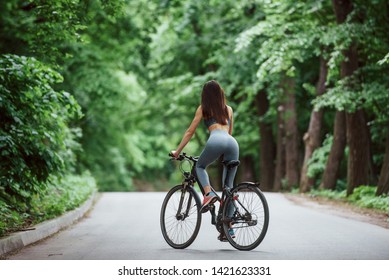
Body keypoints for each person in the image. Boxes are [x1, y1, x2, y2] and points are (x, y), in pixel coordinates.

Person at [171, 80, 239, 213]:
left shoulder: (204, 108)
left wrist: (177, 151)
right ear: (220, 93)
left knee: (199, 166)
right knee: (229, 187)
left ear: (205, 95)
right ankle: (229, 227)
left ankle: (208, 194)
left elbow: (190, 132)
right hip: (232, 143)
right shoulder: (229, 109)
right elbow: (230, 133)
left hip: (216, 140)